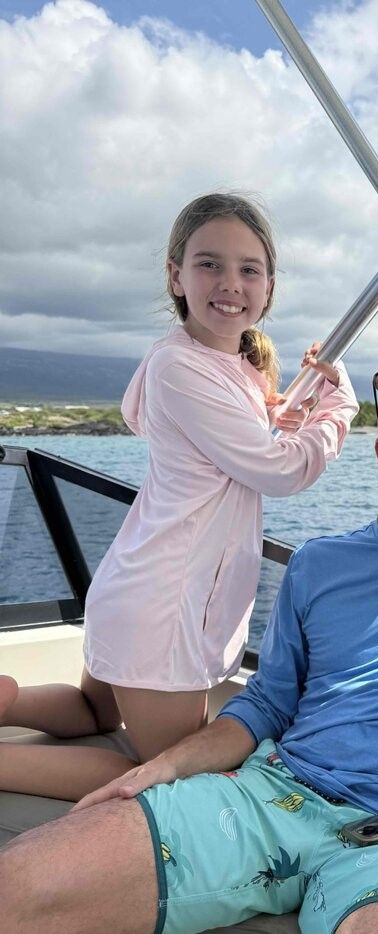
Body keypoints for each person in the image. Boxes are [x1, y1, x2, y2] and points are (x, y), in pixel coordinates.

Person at [0, 358, 378, 934]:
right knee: (22, 881)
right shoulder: (318, 564)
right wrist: (165, 767)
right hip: (281, 791)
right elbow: (268, 702)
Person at [0, 192, 358, 802]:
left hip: (138, 584)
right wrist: (340, 408)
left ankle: (10, 701)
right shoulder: (181, 368)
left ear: (268, 286)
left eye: (249, 268)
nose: (230, 282)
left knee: (95, 713)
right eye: (209, 264)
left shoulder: (218, 367)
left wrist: (286, 416)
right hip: (163, 604)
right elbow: (277, 468)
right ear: (175, 275)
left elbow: (242, 447)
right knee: (165, 774)